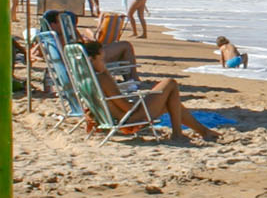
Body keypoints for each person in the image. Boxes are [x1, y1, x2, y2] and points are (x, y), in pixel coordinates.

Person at [82, 42, 216, 142]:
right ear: (92, 59)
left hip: (111, 118)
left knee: (171, 102)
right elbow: (127, 108)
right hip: (128, 119)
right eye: (102, 59)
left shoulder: (84, 77)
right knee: (170, 83)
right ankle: (178, 134)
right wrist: (139, 100)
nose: (104, 62)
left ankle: (203, 131)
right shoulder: (102, 78)